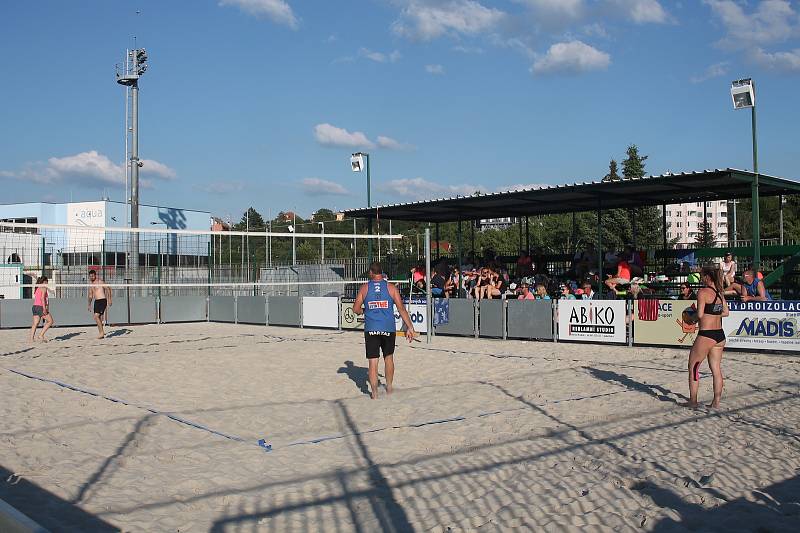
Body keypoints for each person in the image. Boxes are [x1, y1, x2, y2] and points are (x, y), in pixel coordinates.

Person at [353, 262, 417, 399]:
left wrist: (364, 310)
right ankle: (388, 387)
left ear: (371, 272)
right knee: (388, 358)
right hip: (388, 327)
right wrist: (410, 327)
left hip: (371, 328)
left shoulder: (364, 288)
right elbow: (401, 309)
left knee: (373, 361)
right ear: (381, 273)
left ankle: (375, 394)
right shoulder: (391, 288)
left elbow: (355, 309)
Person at [686, 266, 729, 409]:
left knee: (693, 367)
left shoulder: (703, 292)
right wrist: (712, 314)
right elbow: (726, 312)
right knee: (716, 369)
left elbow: (698, 315)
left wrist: (691, 319)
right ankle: (716, 402)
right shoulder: (719, 292)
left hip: (706, 334)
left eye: (702, 276)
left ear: (707, 277)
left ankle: (693, 401)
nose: (701, 278)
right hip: (719, 334)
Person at [87, 269, 112, 339]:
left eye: (92, 276)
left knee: (96, 316)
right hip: (96, 301)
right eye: (90, 276)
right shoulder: (91, 285)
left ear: (95, 275)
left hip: (102, 300)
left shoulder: (99, 281)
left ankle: (101, 333)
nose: (91, 277)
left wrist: (109, 299)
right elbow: (90, 296)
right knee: (98, 317)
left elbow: (108, 288)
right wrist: (89, 304)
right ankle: (102, 332)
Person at [30, 276, 54, 342]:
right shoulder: (43, 288)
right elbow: (42, 298)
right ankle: (41, 335)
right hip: (40, 307)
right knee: (50, 321)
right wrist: (44, 308)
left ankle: (31, 339)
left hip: (34, 307)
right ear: (44, 282)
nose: (47, 283)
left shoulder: (37, 288)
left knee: (35, 323)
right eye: (47, 282)